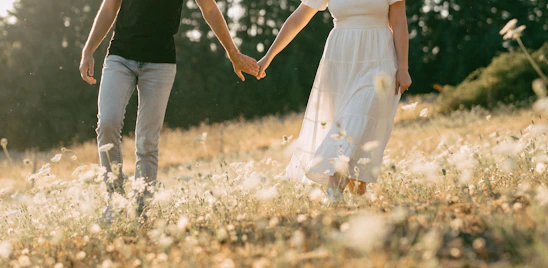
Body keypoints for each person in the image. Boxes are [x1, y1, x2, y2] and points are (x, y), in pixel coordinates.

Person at [80, 0, 260, 220]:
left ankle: (140, 211)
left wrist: (233, 53)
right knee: (107, 123)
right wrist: (88, 50)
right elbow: (109, 7)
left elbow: (210, 8)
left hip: (160, 64)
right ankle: (115, 203)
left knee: (147, 141)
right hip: (120, 57)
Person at [257, 0, 411, 204]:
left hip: (379, 60)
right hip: (341, 62)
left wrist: (403, 67)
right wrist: (267, 58)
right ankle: (359, 204)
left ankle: (333, 193)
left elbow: (399, 22)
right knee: (352, 131)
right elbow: (298, 19)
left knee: (357, 119)